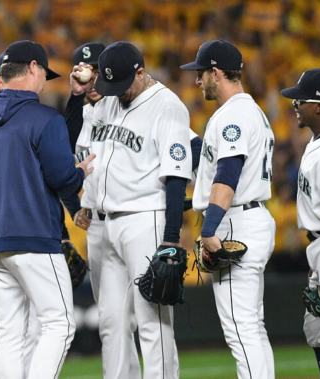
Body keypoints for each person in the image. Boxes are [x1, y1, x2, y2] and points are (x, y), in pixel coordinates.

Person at [0, 40, 95, 379]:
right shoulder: (44, 117)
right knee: (59, 323)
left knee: (8, 331)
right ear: (34, 68)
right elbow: (63, 179)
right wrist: (79, 172)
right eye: (43, 73)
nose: (44, 81)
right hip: (34, 237)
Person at [72, 40, 193, 378]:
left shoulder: (168, 106)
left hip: (145, 218)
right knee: (110, 322)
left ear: (141, 72)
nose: (117, 92)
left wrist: (171, 238)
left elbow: (176, 176)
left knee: (151, 321)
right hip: (108, 223)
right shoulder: (109, 98)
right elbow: (86, 149)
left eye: (123, 84)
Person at [180, 39, 276, 379]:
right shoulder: (254, 112)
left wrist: (209, 229)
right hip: (250, 215)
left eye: (201, 73)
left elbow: (229, 173)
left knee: (241, 329)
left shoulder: (233, 115)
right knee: (252, 326)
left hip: (236, 220)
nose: (197, 81)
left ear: (216, 72)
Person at [281, 68, 320, 379]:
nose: (295, 103)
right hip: (319, 249)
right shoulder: (317, 143)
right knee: (318, 335)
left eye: (302, 99)